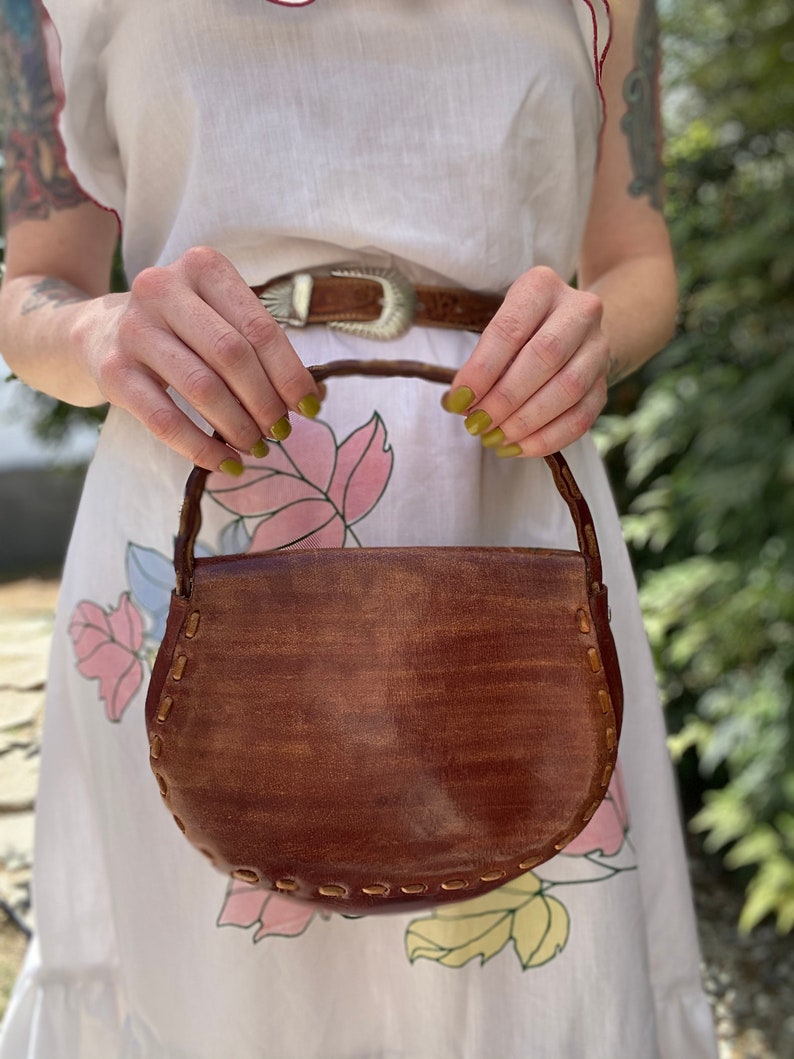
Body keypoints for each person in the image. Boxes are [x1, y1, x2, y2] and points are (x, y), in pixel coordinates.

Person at [0, 0, 719, 1056]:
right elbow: (30, 285)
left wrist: (595, 335)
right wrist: (97, 329)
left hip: (508, 516)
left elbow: (632, 255)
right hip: (200, 540)